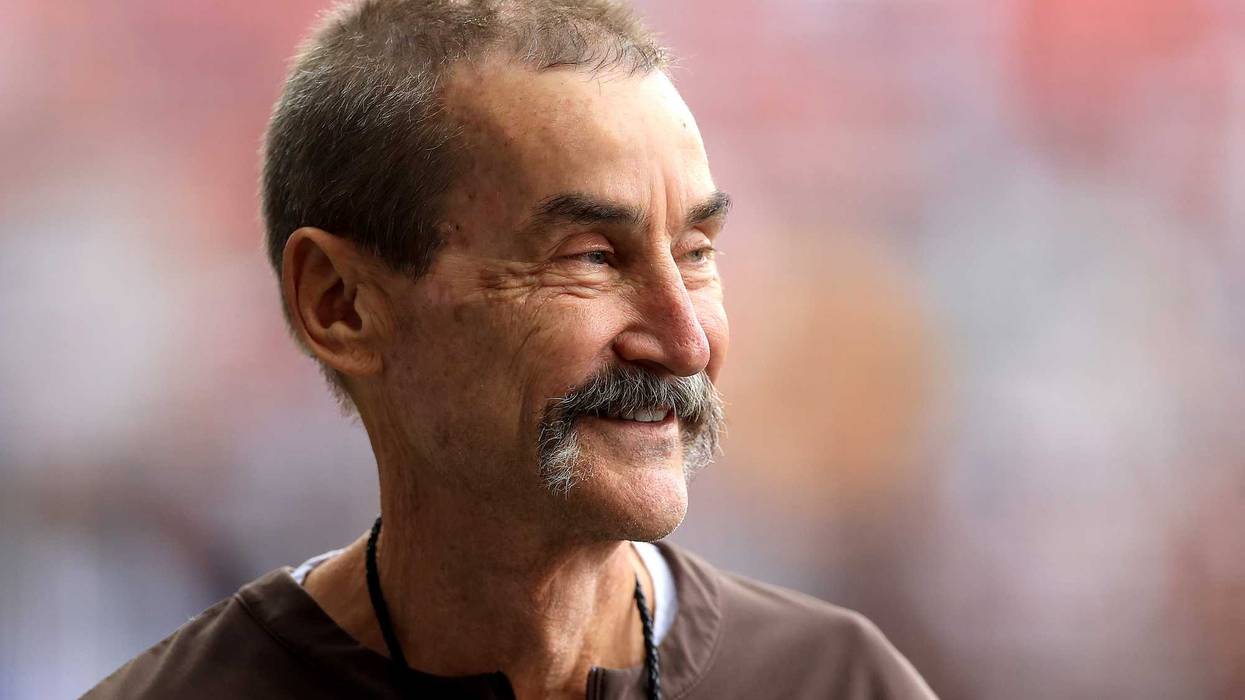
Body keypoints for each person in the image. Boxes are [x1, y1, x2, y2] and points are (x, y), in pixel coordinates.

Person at [86, 1, 935, 698]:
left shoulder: (838, 683)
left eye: (696, 254)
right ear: (340, 304)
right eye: (592, 258)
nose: (683, 341)